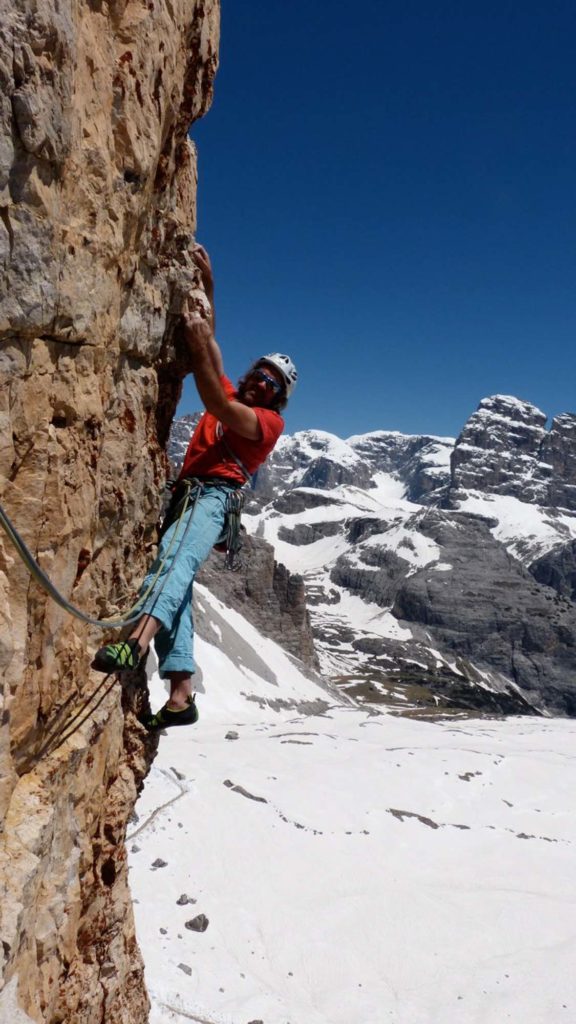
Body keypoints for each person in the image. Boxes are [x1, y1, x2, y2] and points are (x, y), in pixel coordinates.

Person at [92, 245, 297, 729]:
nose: (263, 384)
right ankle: (182, 692)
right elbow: (211, 351)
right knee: (179, 588)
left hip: (211, 495)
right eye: (261, 374)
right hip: (195, 495)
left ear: (278, 400)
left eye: (273, 384)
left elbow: (216, 397)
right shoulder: (236, 391)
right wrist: (209, 289)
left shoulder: (265, 424)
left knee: (174, 565)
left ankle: (134, 644)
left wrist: (204, 339)